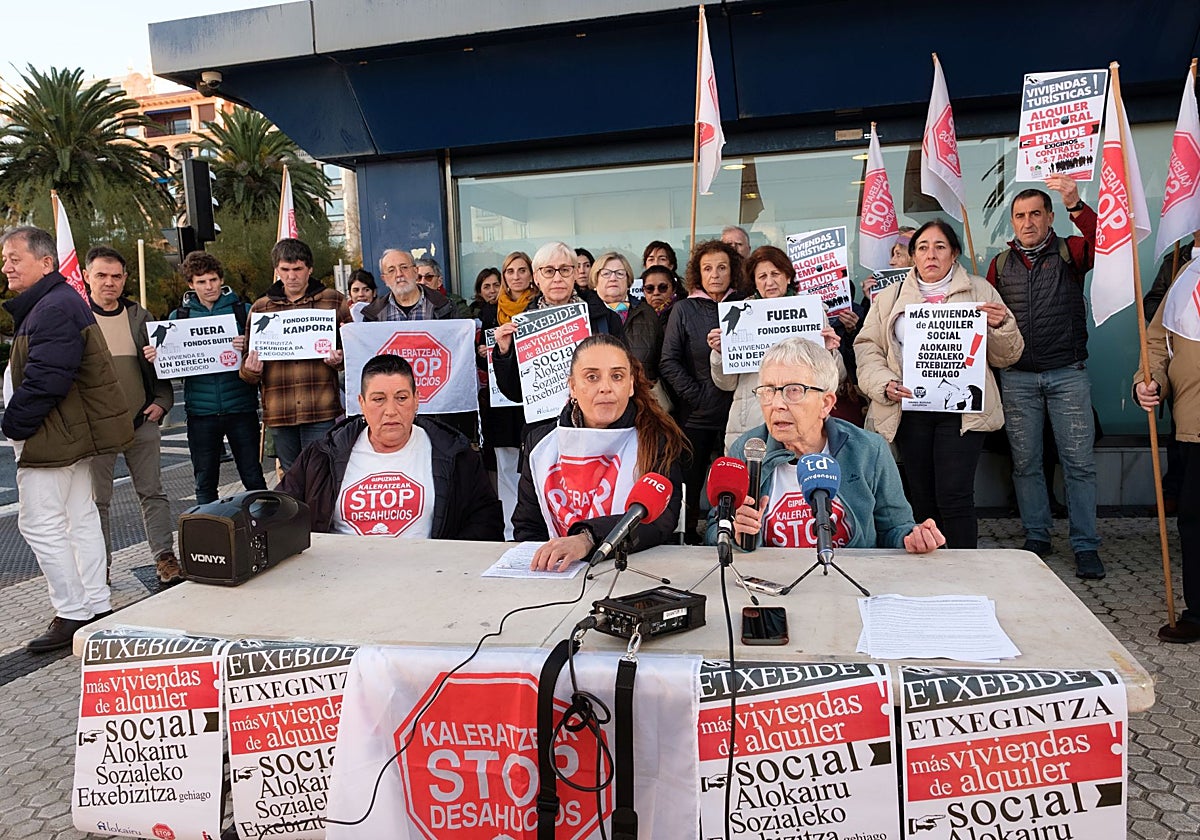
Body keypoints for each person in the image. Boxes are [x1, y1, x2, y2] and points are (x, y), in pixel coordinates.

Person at [1, 227, 132, 652]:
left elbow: (47, 378)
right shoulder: (54, 302)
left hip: (52, 437)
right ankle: (94, 602)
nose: (6, 267)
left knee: (40, 523)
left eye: (14, 258)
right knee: (80, 517)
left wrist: (13, 424)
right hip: (68, 434)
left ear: (45, 263)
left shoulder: (52, 308)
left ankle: (73, 610)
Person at [855, 220, 1023, 549]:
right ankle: (928, 569)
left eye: (940, 246)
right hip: (910, 409)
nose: (931, 254)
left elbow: (1007, 356)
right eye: (922, 247)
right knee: (921, 496)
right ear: (913, 255)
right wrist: (885, 383)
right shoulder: (890, 297)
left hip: (963, 413)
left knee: (955, 494)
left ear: (954, 253)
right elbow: (866, 347)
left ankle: (963, 571)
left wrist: (1001, 326)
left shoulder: (980, 290)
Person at [707, 337, 944, 553]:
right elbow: (713, 530)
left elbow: (895, 527)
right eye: (768, 390)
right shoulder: (748, 450)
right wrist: (735, 533)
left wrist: (912, 537)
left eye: (794, 391)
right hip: (772, 585)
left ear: (826, 403)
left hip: (849, 586)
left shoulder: (868, 450)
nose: (776, 403)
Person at [985, 175, 1104, 578]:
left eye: (1036, 213)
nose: (1028, 222)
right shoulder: (999, 265)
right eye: (1020, 215)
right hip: (1017, 378)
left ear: (1050, 216)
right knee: (1026, 463)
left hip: (1067, 373)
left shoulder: (1070, 250)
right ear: (1013, 222)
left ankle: (1085, 545)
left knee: (1079, 464)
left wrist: (1077, 204)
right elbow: (983, 318)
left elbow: (1106, 242)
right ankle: (1037, 536)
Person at [512, 334, 686, 570]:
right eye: (592, 377)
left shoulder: (656, 440)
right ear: (572, 386)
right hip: (559, 574)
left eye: (617, 376)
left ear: (631, 385)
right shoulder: (540, 444)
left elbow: (660, 521)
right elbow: (528, 526)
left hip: (630, 568)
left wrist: (587, 539)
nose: (605, 388)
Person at [282, 354, 502, 539]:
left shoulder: (454, 454)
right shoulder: (322, 456)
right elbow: (282, 511)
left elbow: (485, 521)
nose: (391, 410)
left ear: (417, 400)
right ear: (362, 404)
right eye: (378, 399)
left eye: (402, 398)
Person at [83, 246, 180, 584]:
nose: (109, 283)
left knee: (153, 493)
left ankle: (165, 559)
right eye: (101, 276)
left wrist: (163, 402)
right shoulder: (75, 319)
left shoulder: (141, 317)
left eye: (116, 276)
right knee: (98, 503)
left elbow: (163, 370)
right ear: (86, 277)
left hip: (142, 423)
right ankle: (100, 568)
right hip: (96, 430)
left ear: (124, 279)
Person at [146, 251, 266, 508]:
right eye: (201, 282)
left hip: (241, 407)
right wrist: (159, 355)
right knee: (204, 481)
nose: (208, 286)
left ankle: (264, 532)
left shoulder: (243, 311)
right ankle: (209, 534)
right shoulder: (178, 318)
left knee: (253, 477)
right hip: (201, 413)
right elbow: (172, 368)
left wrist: (248, 345)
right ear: (191, 284)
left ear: (221, 279)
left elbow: (264, 353)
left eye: (212, 280)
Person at [709, 245, 840, 451]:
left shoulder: (812, 313)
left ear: (788, 277)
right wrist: (719, 354)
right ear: (754, 282)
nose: (769, 282)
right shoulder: (739, 316)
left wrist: (830, 351)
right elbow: (725, 384)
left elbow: (834, 380)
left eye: (775, 274)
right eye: (762, 276)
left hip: (802, 422)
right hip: (749, 424)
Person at [240, 238, 351, 472]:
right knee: (292, 476)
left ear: (309, 269)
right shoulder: (260, 308)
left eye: (298, 269)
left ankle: (320, 511)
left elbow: (355, 350)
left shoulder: (333, 300)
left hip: (320, 406)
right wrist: (252, 370)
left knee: (322, 471)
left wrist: (341, 360)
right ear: (277, 270)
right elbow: (245, 371)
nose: (292, 276)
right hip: (280, 410)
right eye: (285, 270)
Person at [660, 239, 743, 541]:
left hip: (736, 413)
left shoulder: (746, 306)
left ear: (733, 271)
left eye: (722, 267)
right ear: (698, 273)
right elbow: (668, 361)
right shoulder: (683, 310)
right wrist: (697, 396)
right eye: (708, 268)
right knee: (690, 485)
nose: (715, 274)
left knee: (735, 481)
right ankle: (689, 538)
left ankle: (732, 533)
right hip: (694, 415)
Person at [1134, 266, 1200, 642]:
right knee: (1194, 522)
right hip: (1193, 422)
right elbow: (1157, 344)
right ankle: (1198, 612)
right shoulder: (1186, 277)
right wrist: (1149, 380)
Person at [492, 241, 624, 403]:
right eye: (548, 271)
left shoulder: (606, 318)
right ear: (536, 277)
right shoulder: (521, 327)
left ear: (575, 274)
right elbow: (513, 393)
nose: (557, 278)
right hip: (546, 423)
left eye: (564, 270)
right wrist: (504, 352)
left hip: (598, 419)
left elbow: (623, 374)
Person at [478, 251, 535, 539]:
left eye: (521, 270)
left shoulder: (539, 308)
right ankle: (512, 533)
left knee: (534, 468)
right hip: (501, 403)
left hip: (533, 400)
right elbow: (480, 362)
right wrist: (483, 354)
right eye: (510, 271)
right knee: (506, 469)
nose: (516, 276)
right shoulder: (489, 312)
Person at [591, 251, 664, 385]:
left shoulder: (646, 313)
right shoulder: (586, 315)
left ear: (629, 280)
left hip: (642, 396)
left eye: (619, 273)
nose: (613, 278)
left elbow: (662, 360)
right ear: (595, 281)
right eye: (606, 273)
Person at [364, 249, 458, 321]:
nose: (399, 274)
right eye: (391, 270)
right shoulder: (373, 314)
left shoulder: (445, 307)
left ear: (415, 271)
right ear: (384, 279)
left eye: (404, 267)